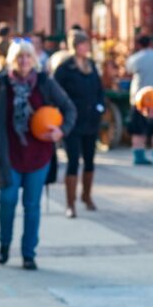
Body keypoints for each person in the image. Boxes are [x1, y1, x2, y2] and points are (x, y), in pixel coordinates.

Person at [0, 40, 76, 270]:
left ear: (34, 59)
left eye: (27, 57)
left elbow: (69, 108)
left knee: (32, 206)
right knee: (7, 201)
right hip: (10, 153)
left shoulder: (44, 83)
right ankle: (4, 245)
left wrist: (62, 130)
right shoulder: (3, 84)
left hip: (38, 155)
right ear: (12, 60)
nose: (23, 61)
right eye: (19, 57)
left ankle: (28, 253)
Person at [53, 29, 105, 218]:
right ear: (75, 46)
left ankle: (87, 196)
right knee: (73, 161)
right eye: (83, 44)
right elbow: (55, 91)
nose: (86, 48)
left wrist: (100, 107)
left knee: (90, 160)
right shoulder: (65, 68)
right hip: (72, 122)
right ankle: (70, 203)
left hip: (91, 120)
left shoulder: (91, 65)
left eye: (87, 44)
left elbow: (100, 89)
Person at [126, 33, 153, 167]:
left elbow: (128, 71)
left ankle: (139, 155)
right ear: (151, 43)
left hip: (140, 98)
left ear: (139, 45)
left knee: (138, 128)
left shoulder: (136, 58)